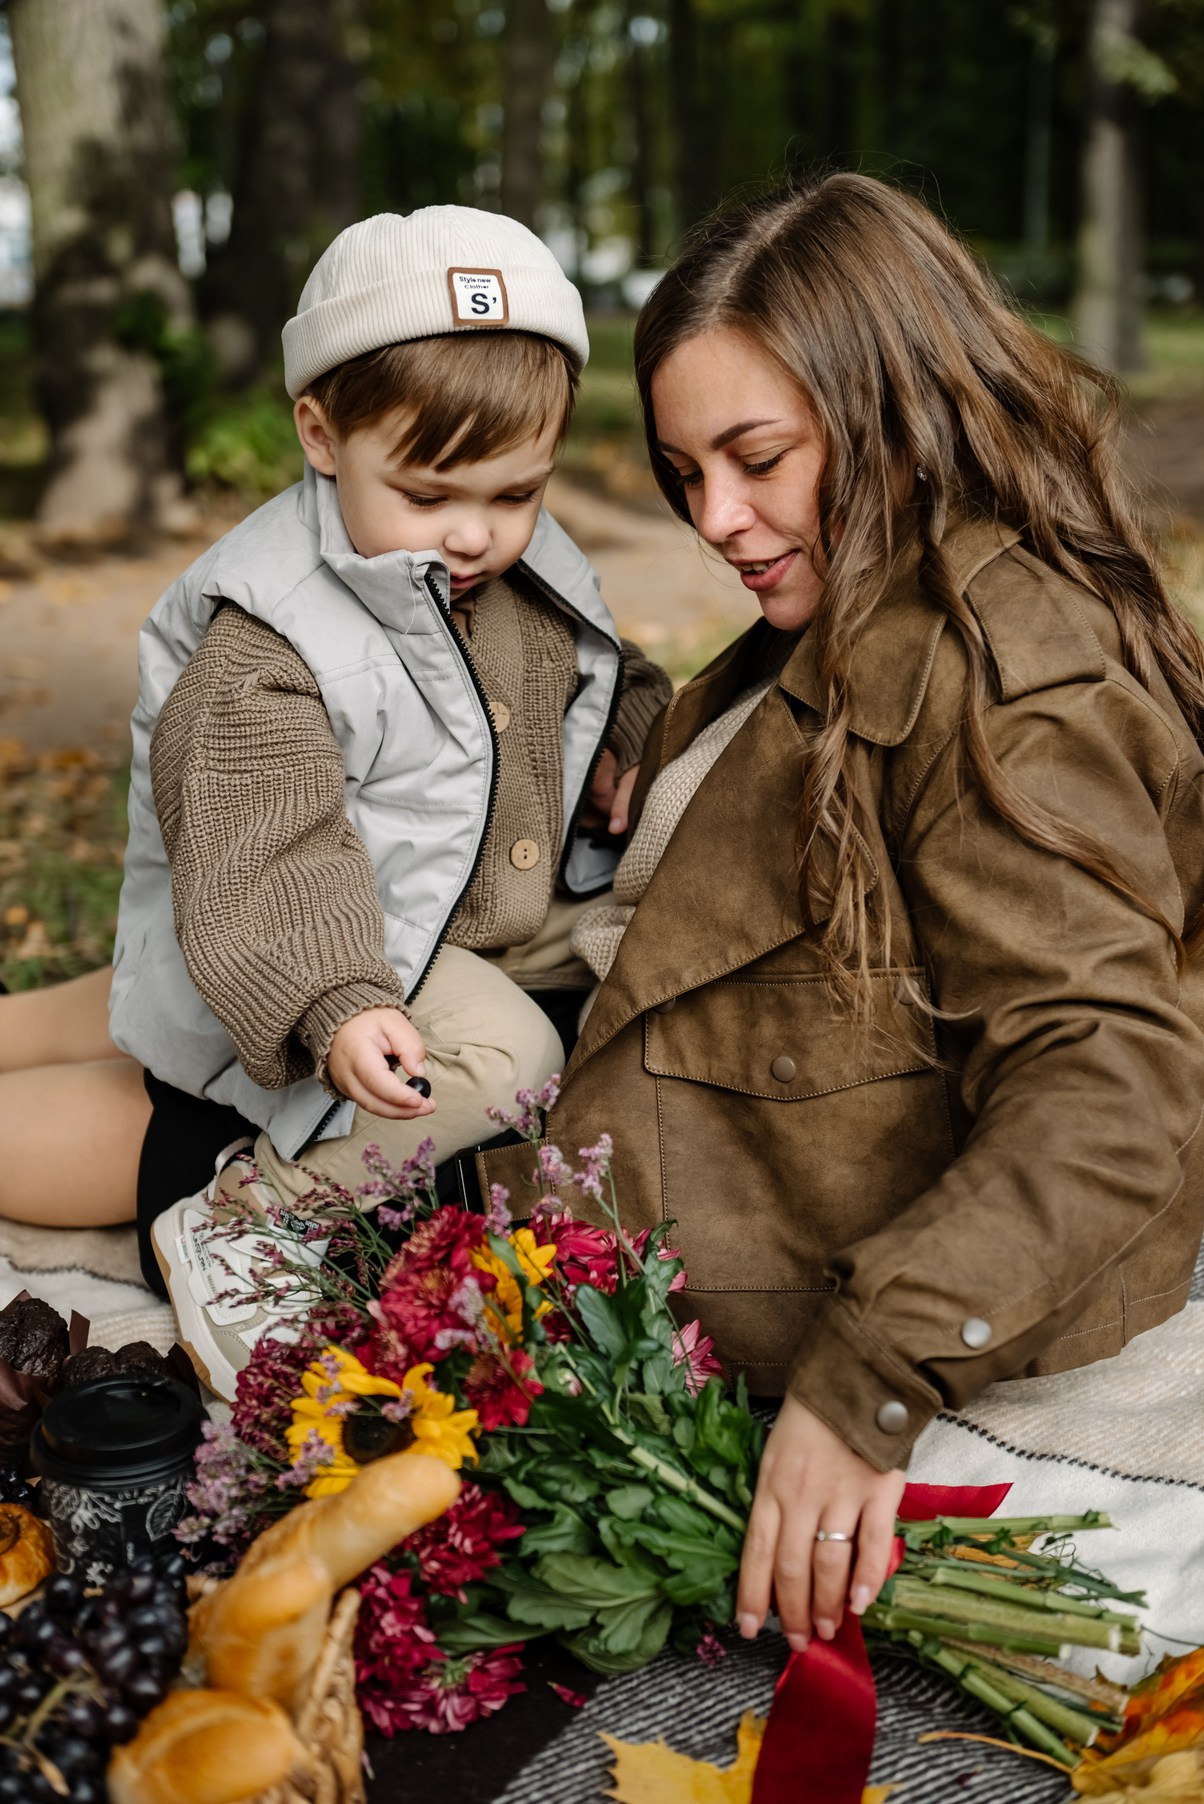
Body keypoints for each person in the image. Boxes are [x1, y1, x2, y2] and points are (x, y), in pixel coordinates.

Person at [478, 175, 1204, 1663]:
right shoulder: (872, 591)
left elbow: (1111, 1086)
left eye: (756, 459)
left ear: (896, 408)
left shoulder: (1011, 678)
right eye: (687, 475)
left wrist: (861, 1383)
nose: (718, 523)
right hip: (634, 1188)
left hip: (859, 1303)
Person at [0, 208, 671, 1403]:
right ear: (320, 431)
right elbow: (264, 850)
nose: (475, 533)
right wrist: (334, 1000)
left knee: (662, 942)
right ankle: (249, 1215)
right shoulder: (269, 640)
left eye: (517, 492)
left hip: (478, 903)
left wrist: (622, 738)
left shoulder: (504, 565)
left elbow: (598, 666)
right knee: (505, 1054)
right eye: (428, 493)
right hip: (324, 941)